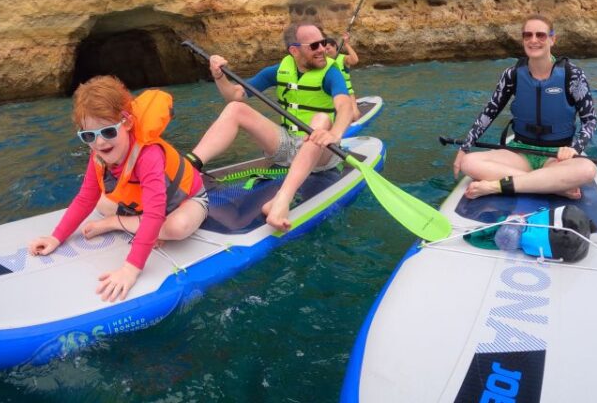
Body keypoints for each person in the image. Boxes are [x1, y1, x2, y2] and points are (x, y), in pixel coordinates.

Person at [28, 76, 208, 302]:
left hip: (187, 200)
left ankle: (116, 224)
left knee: (178, 228)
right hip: (144, 206)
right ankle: (138, 227)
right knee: (101, 202)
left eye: (109, 131)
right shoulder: (98, 155)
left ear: (128, 123)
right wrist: (56, 237)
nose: (100, 143)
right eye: (89, 136)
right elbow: (85, 198)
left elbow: (155, 213)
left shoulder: (148, 155)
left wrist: (130, 269)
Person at [186, 22, 353, 232]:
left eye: (323, 43)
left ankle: (281, 200)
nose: (322, 49)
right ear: (294, 50)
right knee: (236, 108)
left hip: (321, 150)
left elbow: (345, 105)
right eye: (314, 45)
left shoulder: (331, 72)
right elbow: (235, 95)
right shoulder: (278, 70)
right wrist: (220, 77)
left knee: (320, 119)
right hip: (288, 144)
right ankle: (188, 166)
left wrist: (335, 134)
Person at [453, 14, 597, 200]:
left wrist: (576, 148)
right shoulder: (511, 75)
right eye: (527, 35)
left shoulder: (573, 75)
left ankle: (497, 186)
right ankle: (551, 186)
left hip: (557, 156)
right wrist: (464, 147)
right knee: (468, 162)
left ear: (552, 39)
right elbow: (489, 112)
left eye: (541, 35)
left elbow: (590, 120)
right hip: (520, 152)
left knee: (587, 170)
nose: (533, 40)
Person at [324, 32, 361, 121]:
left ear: (335, 47)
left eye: (328, 48)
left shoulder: (343, 59)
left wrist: (346, 44)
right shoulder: (323, 62)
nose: (326, 51)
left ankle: (354, 105)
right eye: (324, 49)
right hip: (330, 95)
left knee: (355, 116)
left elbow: (355, 60)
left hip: (347, 93)